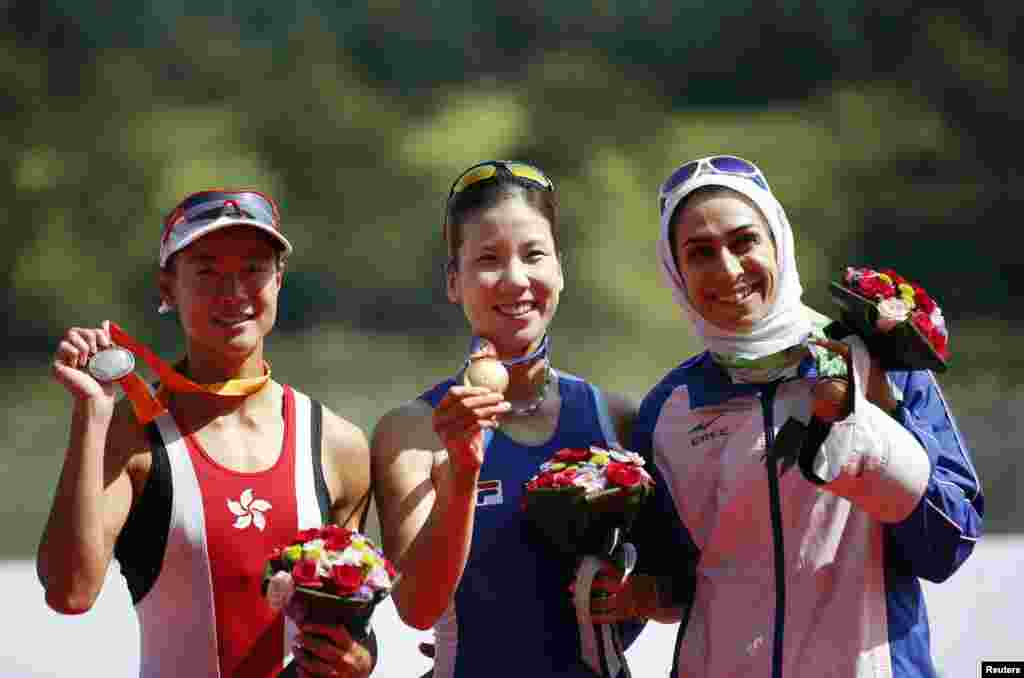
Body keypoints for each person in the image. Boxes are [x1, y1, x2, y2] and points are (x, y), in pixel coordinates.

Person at [591, 155, 984, 677]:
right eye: (700, 253)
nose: (728, 269)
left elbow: (948, 544)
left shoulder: (876, 363)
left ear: (779, 239)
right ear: (676, 272)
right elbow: (678, 587)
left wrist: (867, 420)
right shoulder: (669, 408)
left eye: (744, 241)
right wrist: (636, 593)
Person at [37, 189, 376, 678]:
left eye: (254, 268)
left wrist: (362, 659)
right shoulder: (131, 439)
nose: (233, 291)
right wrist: (91, 416)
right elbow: (70, 594)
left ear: (279, 280)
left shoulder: (339, 445)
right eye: (207, 271)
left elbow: (353, 628)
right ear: (167, 288)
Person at [371, 161, 643, 678]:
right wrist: (463, 471)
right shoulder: (411, 432)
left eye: (533, 255)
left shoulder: (619, 420)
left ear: (560, 269)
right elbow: (415, 610)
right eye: (488, 259)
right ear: (454, 282)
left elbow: (674, 594)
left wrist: (639, 590)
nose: (515, 279)